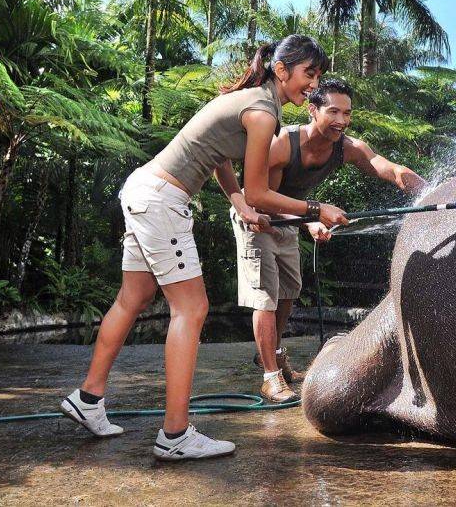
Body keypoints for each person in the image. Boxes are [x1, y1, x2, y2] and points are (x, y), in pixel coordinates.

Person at [59, 35, 349, 461]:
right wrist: (315, 208)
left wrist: (238, 203)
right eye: (310, 74)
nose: (314, 83)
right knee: (191, 309)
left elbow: (219, 158)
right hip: (162, 200)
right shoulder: (262, 111)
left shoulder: (251, 100)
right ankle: (175, 435)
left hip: (144, 189)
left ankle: (88, 399)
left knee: (134, 297)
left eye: (319, 75)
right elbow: (259, 191)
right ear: (283, 70)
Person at [230, 78, 426, 403]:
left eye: (347, 113)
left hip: (292, 216)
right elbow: (258, 196)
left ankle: (274, 353)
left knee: (289, 290)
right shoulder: (282, 143)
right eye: (333, 111)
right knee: (265, 295)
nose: (341, 120)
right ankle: (270, 377)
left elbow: (385, 167)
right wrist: (313, 216)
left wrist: (424, 188)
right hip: (256, 216)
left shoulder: (348, 147)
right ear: (312, 110)